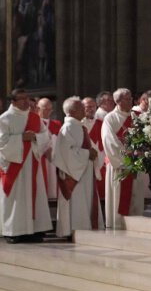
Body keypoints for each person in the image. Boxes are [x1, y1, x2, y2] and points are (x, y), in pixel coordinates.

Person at [0, 88, 51, 242]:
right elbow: (2, 143)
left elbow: (46, 136)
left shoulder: (34, 117)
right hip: (15, 165)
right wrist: (22, 138)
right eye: (21, 99)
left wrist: (35, 137)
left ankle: (35, 230)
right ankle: (13, 231)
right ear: (13, 101)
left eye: (27, 98)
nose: (25, 102)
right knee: (16, 198)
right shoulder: (4, 119)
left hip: (32, 162)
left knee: (35, 195)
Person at [54, 96, 99, 238]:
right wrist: (87, 154)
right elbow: (66, 153)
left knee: (83, 200)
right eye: (81, 108)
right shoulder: (68, 127)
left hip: (82, 172)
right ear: (72, 111)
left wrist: (92, 152)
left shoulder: (78, 126)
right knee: (76, 201)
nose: (84, 111)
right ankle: (72, 230)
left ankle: (82, 228)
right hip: (72, 175)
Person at [102, 88, 144, 228]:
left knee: (136, 197)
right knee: (119, 197)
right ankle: (118, 224)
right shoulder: (110, 118)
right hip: (119, 166)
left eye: (131, 97)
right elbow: (110, 142)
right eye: (126, 98)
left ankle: (136, 224)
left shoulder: (137, 116)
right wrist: (128, 156)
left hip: (136, 164)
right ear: (117, 101)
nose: (131, 100)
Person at [36, 97, 59, 201]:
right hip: (41, 159)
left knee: (53, 185)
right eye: (45, 109)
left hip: (54, 160)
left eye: (50, 109)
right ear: (38, 109)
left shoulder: (57, 124)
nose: (48, 111)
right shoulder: (35, 123)